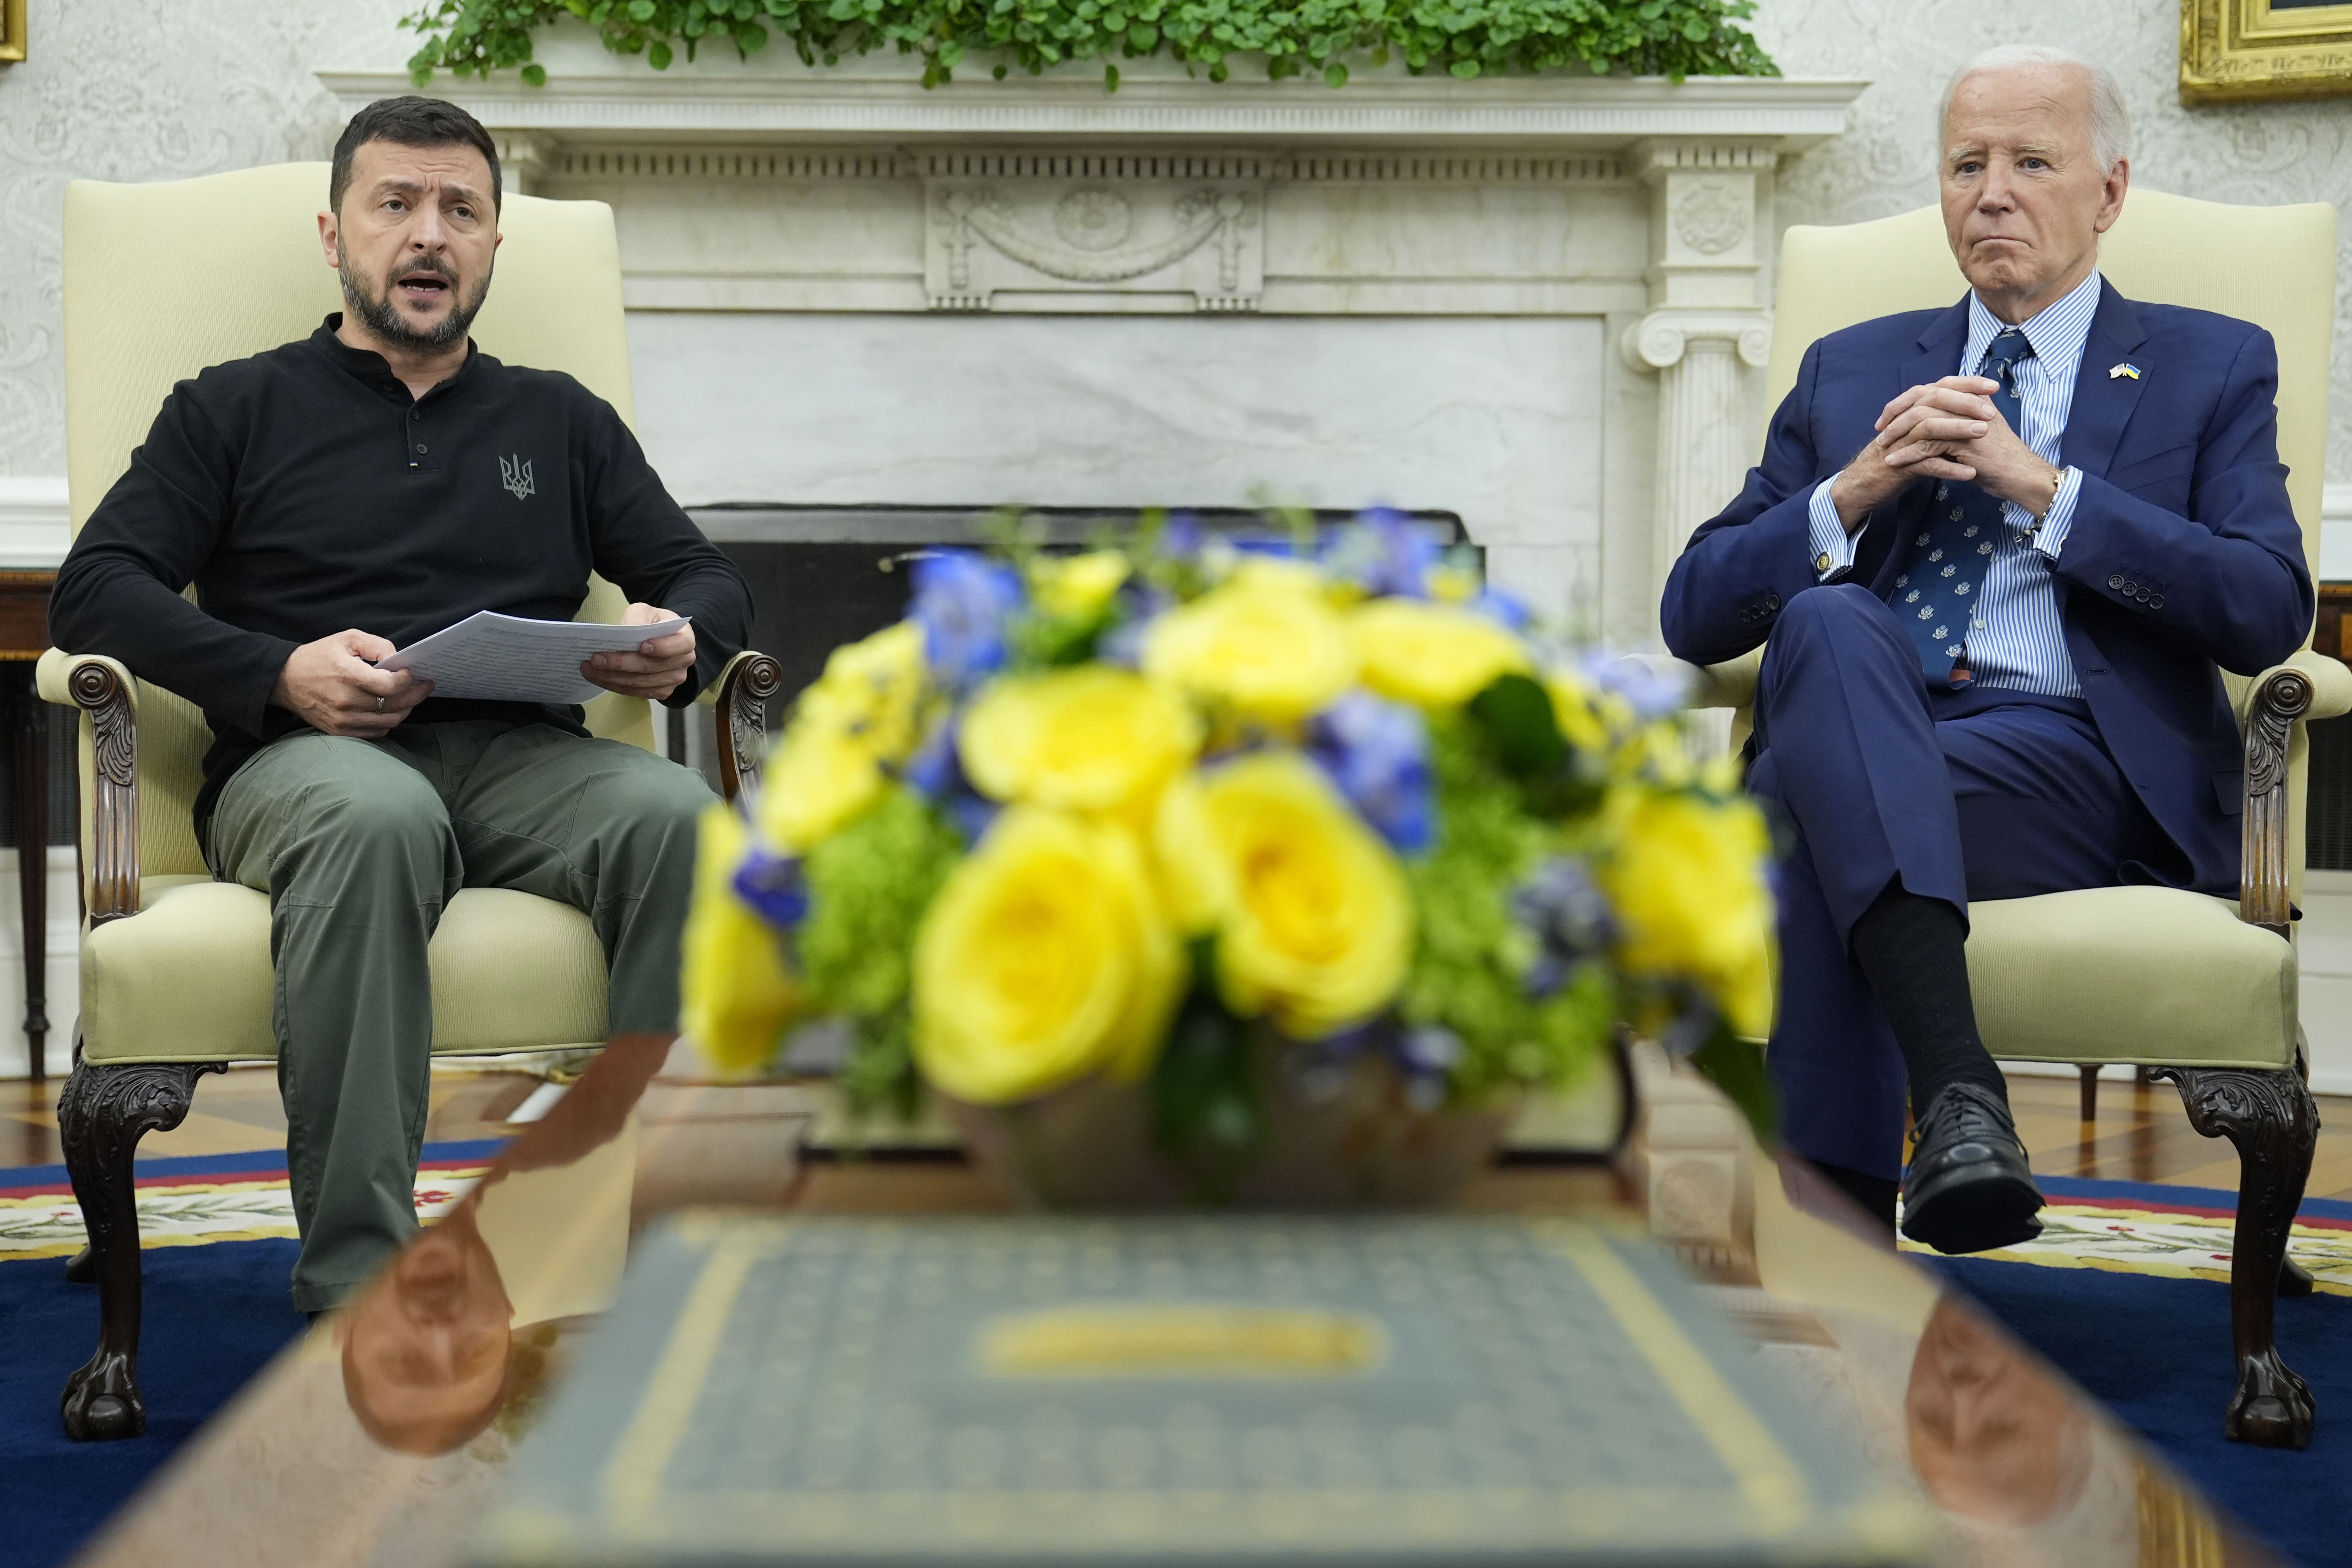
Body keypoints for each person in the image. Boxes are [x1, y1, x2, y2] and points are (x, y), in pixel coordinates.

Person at [49, 96, 753, 1314]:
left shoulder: (562, 418)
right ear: (336, 235)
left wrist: (682, 636)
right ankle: (359, 1289)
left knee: (684, 820)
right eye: (397, 204)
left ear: (492, 247)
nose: (429, 235)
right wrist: (276, 671)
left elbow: (705, 575)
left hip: (529, 759)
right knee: (378, 820)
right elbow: (94, 589)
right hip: (308, 763)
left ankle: (662, 1269)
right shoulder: (230, 408)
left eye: (461, 211)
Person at [1660, 46, 2310, 1253]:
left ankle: (1829, 1257)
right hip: (1880, 730)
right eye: (1966, 165)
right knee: (1830, 619)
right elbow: (1693, 607)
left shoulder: (2210, 362)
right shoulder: (1855, 367)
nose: (1991, 192)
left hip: (2079, 766)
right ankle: (1959, 1099)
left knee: (1802, 815)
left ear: (2109, 192)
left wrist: (2044, 488)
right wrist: (1851, 492)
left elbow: (2268, 603)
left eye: (2031, 162)